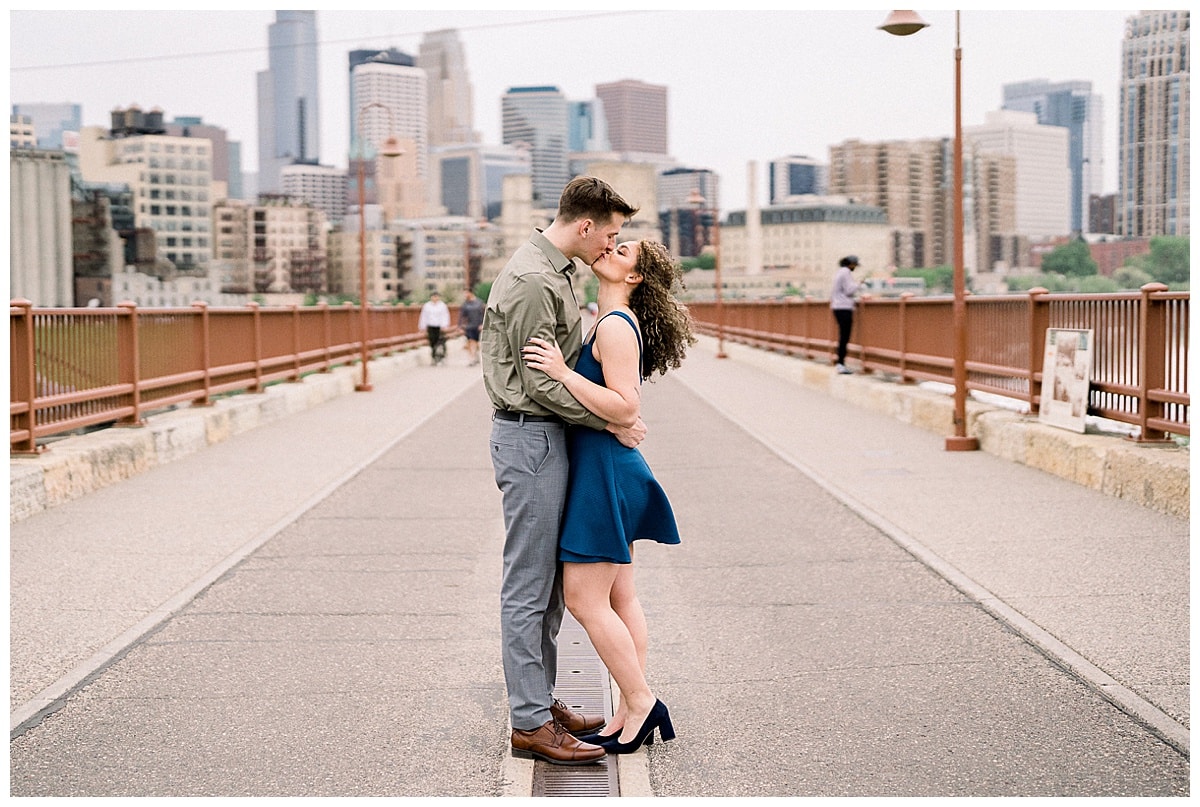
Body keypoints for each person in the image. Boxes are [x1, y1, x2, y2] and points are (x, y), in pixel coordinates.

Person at [481, 176, 642, 767]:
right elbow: (536, 383)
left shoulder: (564, 272)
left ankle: (539, 703)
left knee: (548, 586)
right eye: (612, 233)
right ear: (584, 227)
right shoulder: (531, 281)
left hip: (549, 436)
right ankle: (528, 724)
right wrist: (611, 422)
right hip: (529, 438)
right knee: (528, 586)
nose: (612, 244)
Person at [522, 239, 695, 755]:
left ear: (635, 277)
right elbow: (622, 413)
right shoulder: (608, 319)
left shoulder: (616, 325)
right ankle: (628, 710)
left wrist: (560, 371)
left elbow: (625, 406)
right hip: (608, 469)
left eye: (622, 251)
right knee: (621, 597)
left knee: (584, 600)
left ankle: (641, 701)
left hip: (603, 476)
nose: (609, 249)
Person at [830, 255, 862, 374]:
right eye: (854, 265)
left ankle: (840, 363)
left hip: (837, 306)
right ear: (851, 264)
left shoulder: (839, 272)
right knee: (844, 337)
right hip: (844, 307)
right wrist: (859, 284)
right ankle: (841, 364)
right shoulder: (846, 272)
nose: (855, 267)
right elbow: (849, 290)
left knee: (842, 336)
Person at [418, 291, 450, 365]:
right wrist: (422, 326)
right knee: (432, 341)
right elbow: (424, 316)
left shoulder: (442, 306)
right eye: (433, 296)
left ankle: (442, 356)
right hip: (431, 326)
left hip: (440, 326)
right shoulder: (427, 306)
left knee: (440, 342)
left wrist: (445, 325)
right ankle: (434, 357)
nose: (435, 298)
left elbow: (445, 316)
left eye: (436, 296)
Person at [458, 289, 485, 366]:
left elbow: (483, 314)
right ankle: (472, 358)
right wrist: (460, 326)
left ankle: (475, 356)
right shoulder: (465, 304)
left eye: (466, 293)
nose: (465, 295)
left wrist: (482, 324)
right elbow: (462, 316)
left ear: (471, 293)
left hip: (477, 325)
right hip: (469, 326)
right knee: (470, 341)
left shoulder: (479, 303)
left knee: (475, 342)